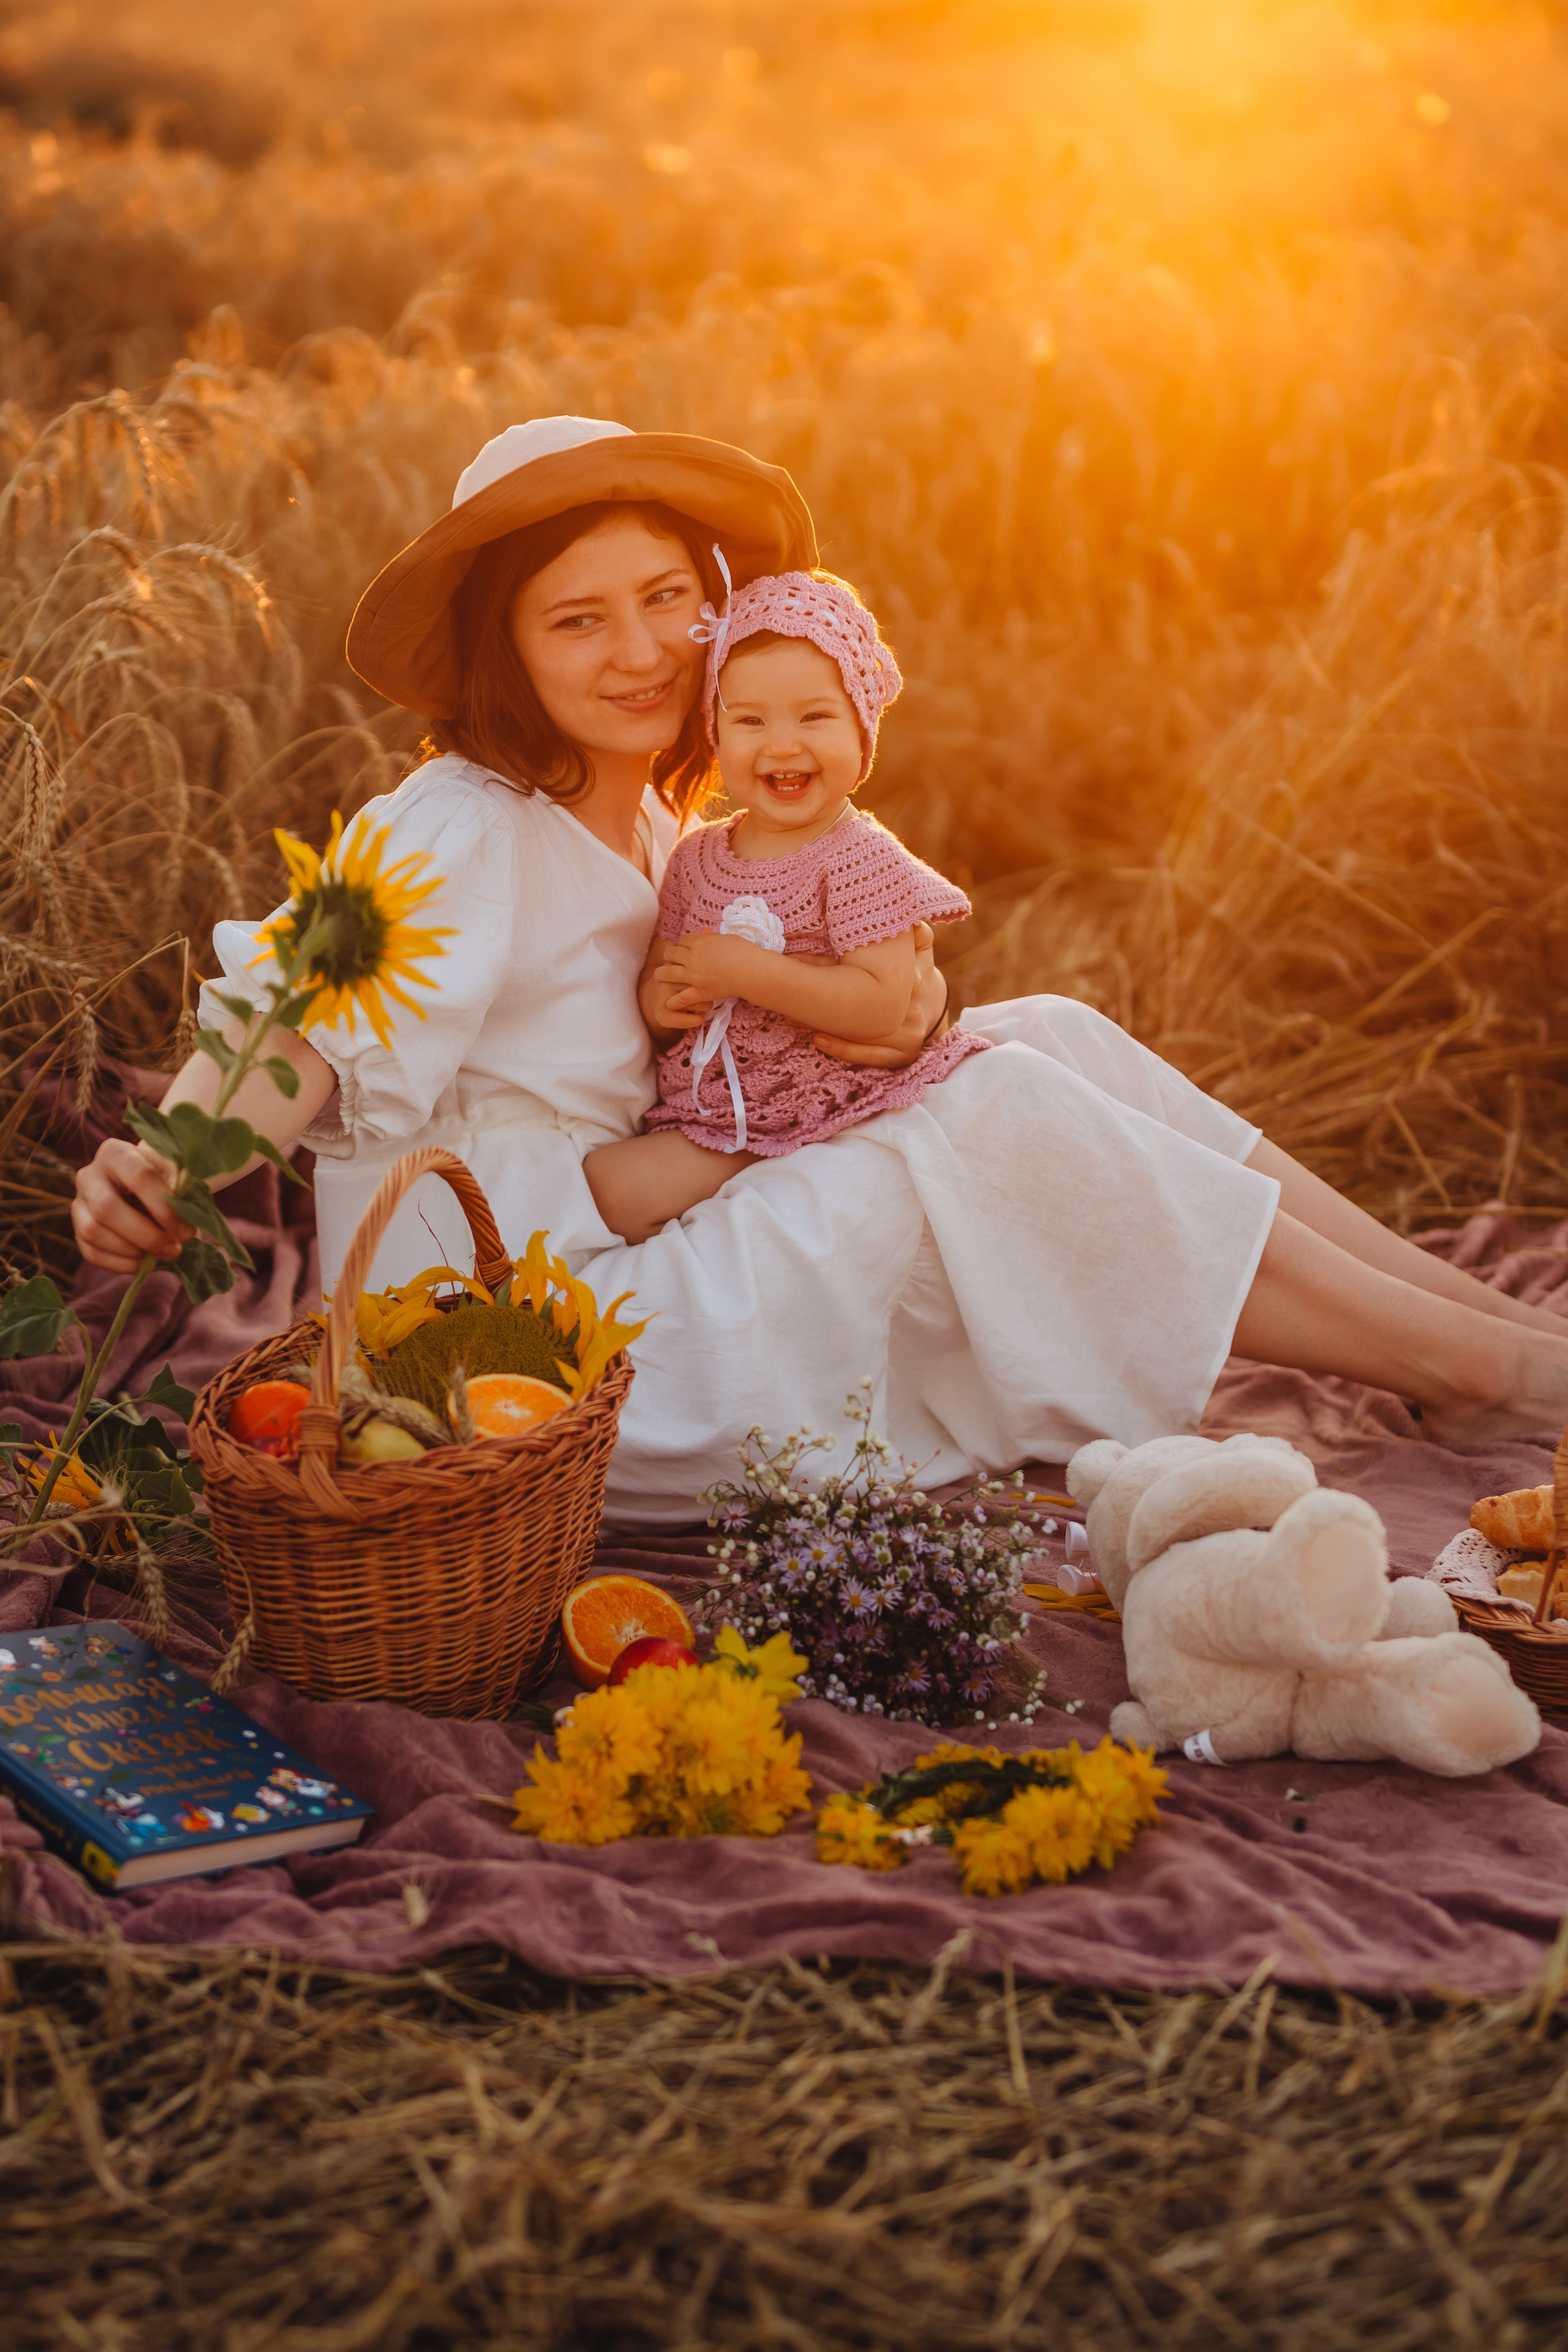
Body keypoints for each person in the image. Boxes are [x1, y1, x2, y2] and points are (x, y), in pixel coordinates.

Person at [71, 415, 1568, 1527]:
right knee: (989, 1111)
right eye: (577, 620)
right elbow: (294, 1016)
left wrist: (881, 1020)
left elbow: (765, 1044)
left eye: (667, 598)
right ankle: (1485, 1374)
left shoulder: (657, 823)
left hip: (639, 1230)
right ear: (505, 652)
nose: (641, 650)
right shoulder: (455, 824)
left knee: (1047, 1030)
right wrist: (168, 1164)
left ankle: (1473, 1337)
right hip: (524, 1350)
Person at [583, 569, 993, 1243]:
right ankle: (750, 1214)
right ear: (716, 734)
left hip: (820, 1098)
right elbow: (661, 976)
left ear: (862, 731)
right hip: (718, 1109)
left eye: (814, 716)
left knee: (622, 1191)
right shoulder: (696, 857)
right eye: (750, 720)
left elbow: (882, 1005)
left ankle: (787, 1193)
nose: (781, 744)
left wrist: (747, 973)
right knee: (605, 1189)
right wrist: (664, 1003)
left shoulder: (859, 859)